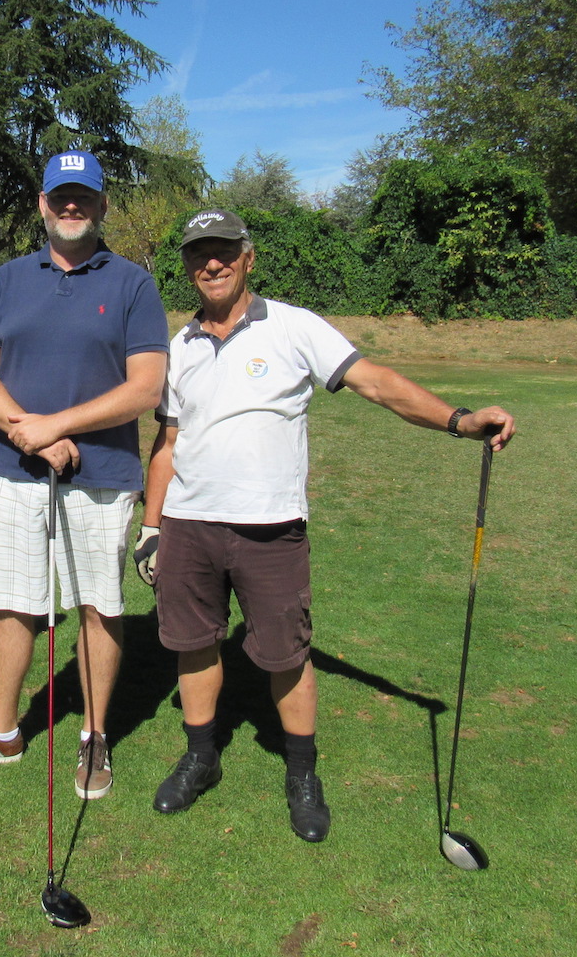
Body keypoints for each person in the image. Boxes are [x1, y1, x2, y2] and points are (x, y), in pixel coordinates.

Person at [135, 208, 516, 841]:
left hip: (270, 528)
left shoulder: (293, 326)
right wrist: (151, 526)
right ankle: (201, 757)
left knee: (286, 654)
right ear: (186, 266)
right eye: (200, 253)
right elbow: (169, 443)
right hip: (189, 524)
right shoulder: (179, 347)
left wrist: (459, 419)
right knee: (194, 644)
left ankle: (302, 774)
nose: (212, 263)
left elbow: (376, 383)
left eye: (224, 249)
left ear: (247, 256)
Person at [0, 151, 168, 800]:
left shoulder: (131, 284)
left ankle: (94, 737)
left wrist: (58, 425)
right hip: (13, 470)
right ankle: (3, 733)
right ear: (42, 204)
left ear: (102, 205)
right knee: (10, 601)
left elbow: (146, 387)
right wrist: (23, 430)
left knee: (96, 603)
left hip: (102, 475)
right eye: (60, 196)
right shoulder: (8, 279)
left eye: (83, 197)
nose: (71, 206)